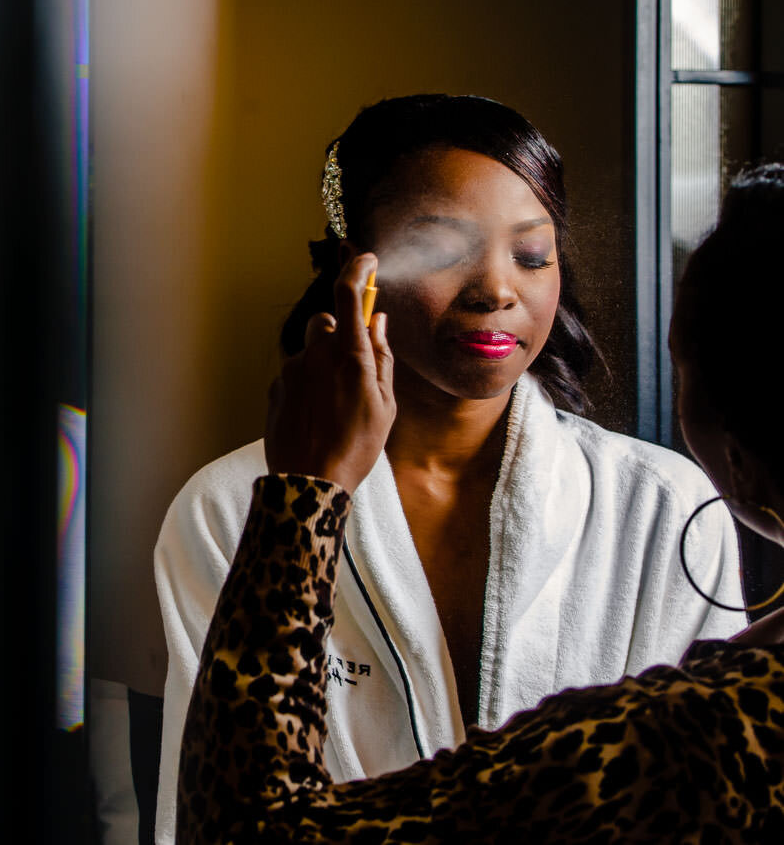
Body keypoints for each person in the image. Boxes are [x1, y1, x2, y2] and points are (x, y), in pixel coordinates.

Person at [151, 95, 746, 842]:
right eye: (439, 250)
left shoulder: (664, 508)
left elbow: (722, 804)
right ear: (351, 268)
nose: (498, 289)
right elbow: (208, 805)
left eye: (532, 256)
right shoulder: (230, 511)